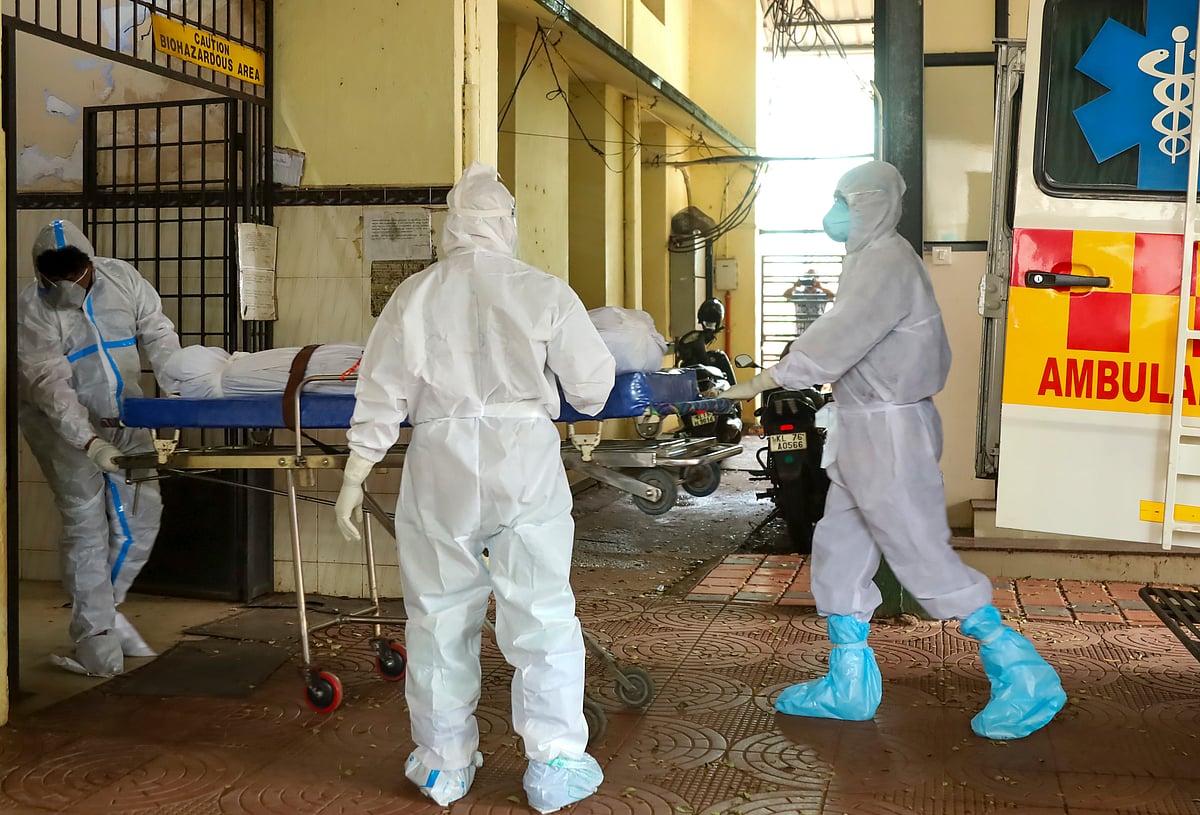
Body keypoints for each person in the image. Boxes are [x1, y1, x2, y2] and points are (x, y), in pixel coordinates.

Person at [723, 161, 1066, 741]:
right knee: (840, 547)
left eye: (845, 202)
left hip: (888, 434)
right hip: (863, 429)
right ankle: (848, 683)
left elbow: (839, 336)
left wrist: (765, 380)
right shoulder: (865, 260)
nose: (835, 214)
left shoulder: (886, 261)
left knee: (915, 552)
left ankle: (1023, 671)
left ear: (873, 206)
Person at [334, 162, 616, 810]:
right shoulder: (541, 290)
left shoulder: (415, 295)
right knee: (542, 612)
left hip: (441, 462)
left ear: (452, 227)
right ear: (507, 223)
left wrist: (356, 471)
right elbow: (594, 387)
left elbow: (378, 392)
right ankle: (553, 766)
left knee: (439, 616)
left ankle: (443, 763)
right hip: (524, 462)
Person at [17, 219, 182, 677]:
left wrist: (176, 400)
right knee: (87, 524)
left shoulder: (123, 280)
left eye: (76, 274)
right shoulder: (31, 310)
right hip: (60, 428)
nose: (68, 286)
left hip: (129, 417)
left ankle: (106, 614)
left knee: (143, 516)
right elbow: (51, 386)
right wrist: (89, 443)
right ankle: (96, 640)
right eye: (55, 278)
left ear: (90, 265)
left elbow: (159, 335)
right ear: (41, 274)